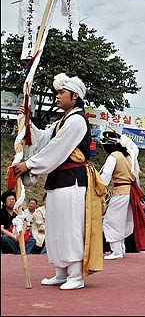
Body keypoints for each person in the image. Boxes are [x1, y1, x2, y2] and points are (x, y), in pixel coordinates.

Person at [12, 72, 106, 290]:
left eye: (61, 93)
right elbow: (44, 139)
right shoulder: (61, 122)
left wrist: (29, 165)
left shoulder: (76, 120)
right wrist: (26, 122)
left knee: (71, 226)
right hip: (58, 179)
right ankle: (61, 272)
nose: (57, 96)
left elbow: (56, 149)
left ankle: (75, 275)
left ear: (75, 96)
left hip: (72, 180)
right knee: (56, 227)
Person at [100, 130, 145, 260]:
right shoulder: (128, 156)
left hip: (120, 192)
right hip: (130, 192)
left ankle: (116, 251)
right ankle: (120, 248)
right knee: (123, 221)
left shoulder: (114, 156)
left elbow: (105, 176)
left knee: (111, 220)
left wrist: (99, 186)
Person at [1, 190, 36, 255]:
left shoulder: (19, 210)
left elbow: (25, 223)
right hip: (10, 235)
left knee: (32, 240)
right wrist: (13, 236)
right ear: (5, 202)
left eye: (13, 199)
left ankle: (19, 254)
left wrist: (21, 235)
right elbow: (1, 228)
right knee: (4, 238)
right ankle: (20, 253)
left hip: (21, 234)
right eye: (9, 200)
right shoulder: (2, 212)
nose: (12, 201)